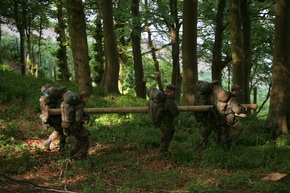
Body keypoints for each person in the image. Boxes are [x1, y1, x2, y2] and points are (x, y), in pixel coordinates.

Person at [61, 91, 91, 159]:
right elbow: (78, 118)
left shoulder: (67, 104)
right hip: (74, 126)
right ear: (84, 98)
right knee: (85, 141)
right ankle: (82, 158)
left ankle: (71, 156)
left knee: (78, 140)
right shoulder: (79, 105)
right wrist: (85, 120)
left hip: (65, 125)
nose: (88, 99)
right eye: (87, 98)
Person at [40, 84, 67, 151]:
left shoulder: (51, 98)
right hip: (56, 118)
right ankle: (62, 148)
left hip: (51, 117)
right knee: (63, 132)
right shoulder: (58, 98)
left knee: (58, 131)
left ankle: (48, 142)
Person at [159, 84, 179, 154]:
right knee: (168, 135)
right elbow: (175, 113)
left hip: (162, 121)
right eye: (173, 92)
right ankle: (164, 152)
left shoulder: (162, 99)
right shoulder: (169, 101)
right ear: (171, 92)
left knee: (164, 136)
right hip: (167, 122)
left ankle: (163, 150)